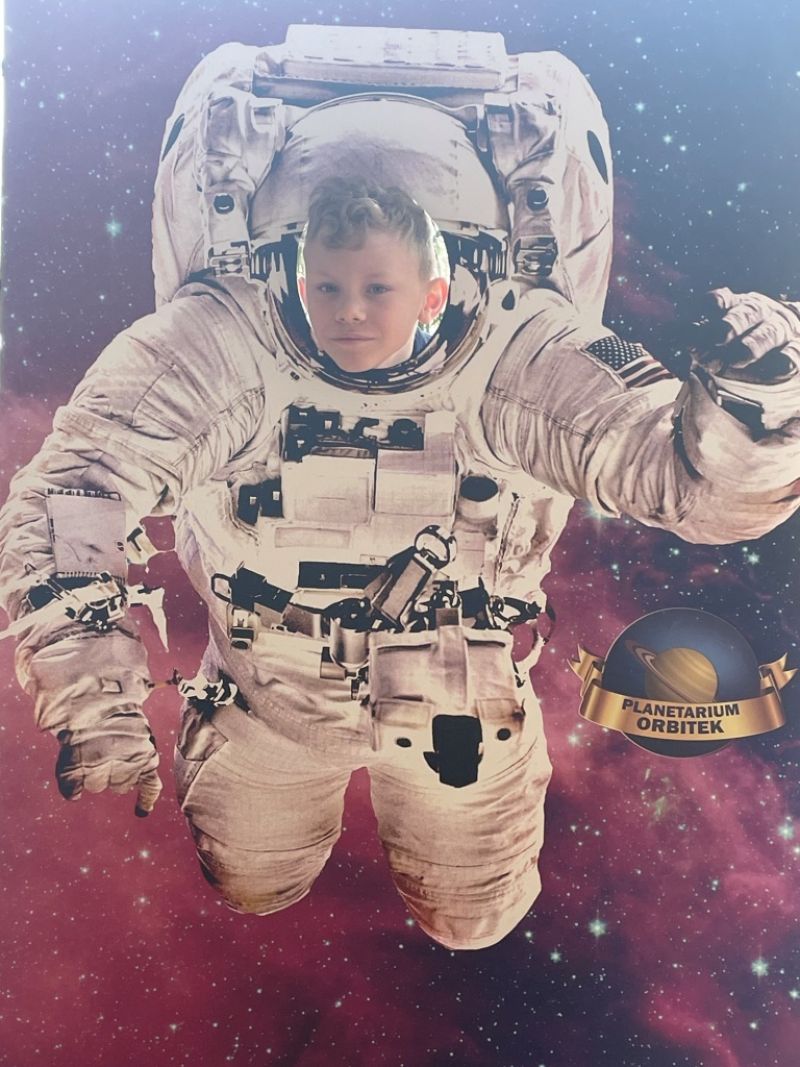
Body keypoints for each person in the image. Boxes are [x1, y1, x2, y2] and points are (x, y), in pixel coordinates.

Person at [2, 29, 800, 951]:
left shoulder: (522, 348)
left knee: (477, 916)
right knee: (251, 879)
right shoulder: (216, 340)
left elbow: (682, 480)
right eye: (326, 285)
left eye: (378, 287)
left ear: (436, 286)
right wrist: (93, 701)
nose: (348, 311)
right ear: (289, 266)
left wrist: (757, 407)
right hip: (269, 693)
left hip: (458, 704)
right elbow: (72, 495)